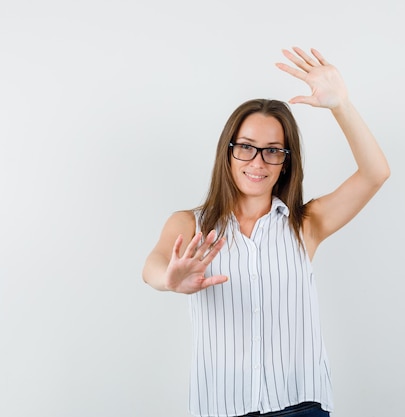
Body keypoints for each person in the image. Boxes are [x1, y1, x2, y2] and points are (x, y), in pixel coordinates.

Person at [142, 47, 390, 417]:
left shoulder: (306, 224)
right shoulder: (190, 224)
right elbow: (154, 266)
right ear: (227, 152)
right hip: (222, 408)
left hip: (301, 405)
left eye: (273, 151)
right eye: (246, 147)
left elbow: (375, 174)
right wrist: (170, 279)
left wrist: (342, 105)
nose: (257, 162)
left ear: (286, 162)